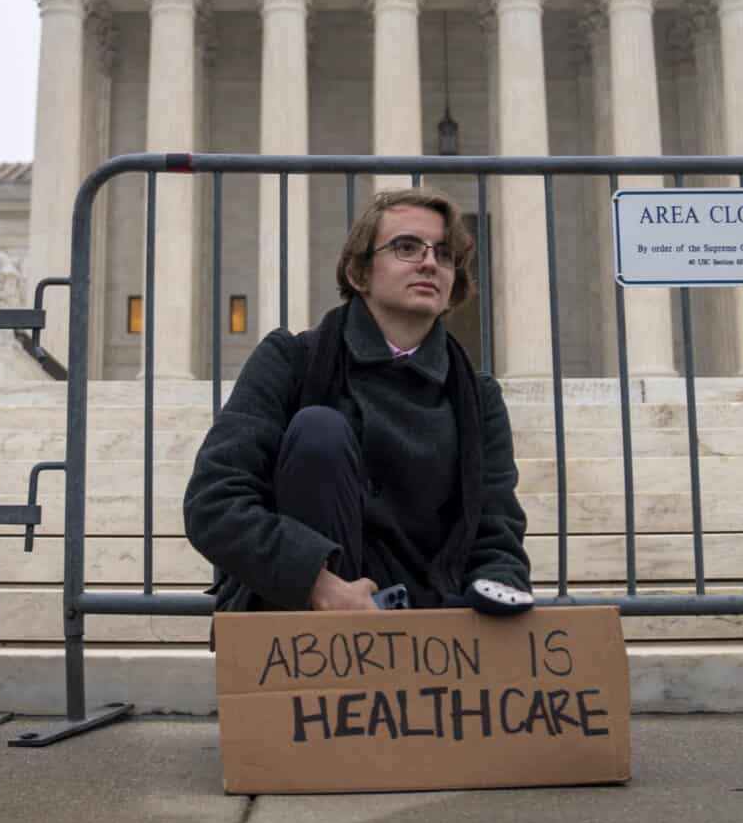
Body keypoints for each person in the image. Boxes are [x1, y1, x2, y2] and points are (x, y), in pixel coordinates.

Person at [183, 189, 529, 613]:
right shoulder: (292, 361)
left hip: (426, 621)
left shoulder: (477, 396)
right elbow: (214, 501)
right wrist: (318, 584)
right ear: (359, 272)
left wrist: (498, 583)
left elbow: (497, 525)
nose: (429, 262)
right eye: (406, 247)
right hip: (306, 618)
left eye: (444, 253)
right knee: (319, 431)